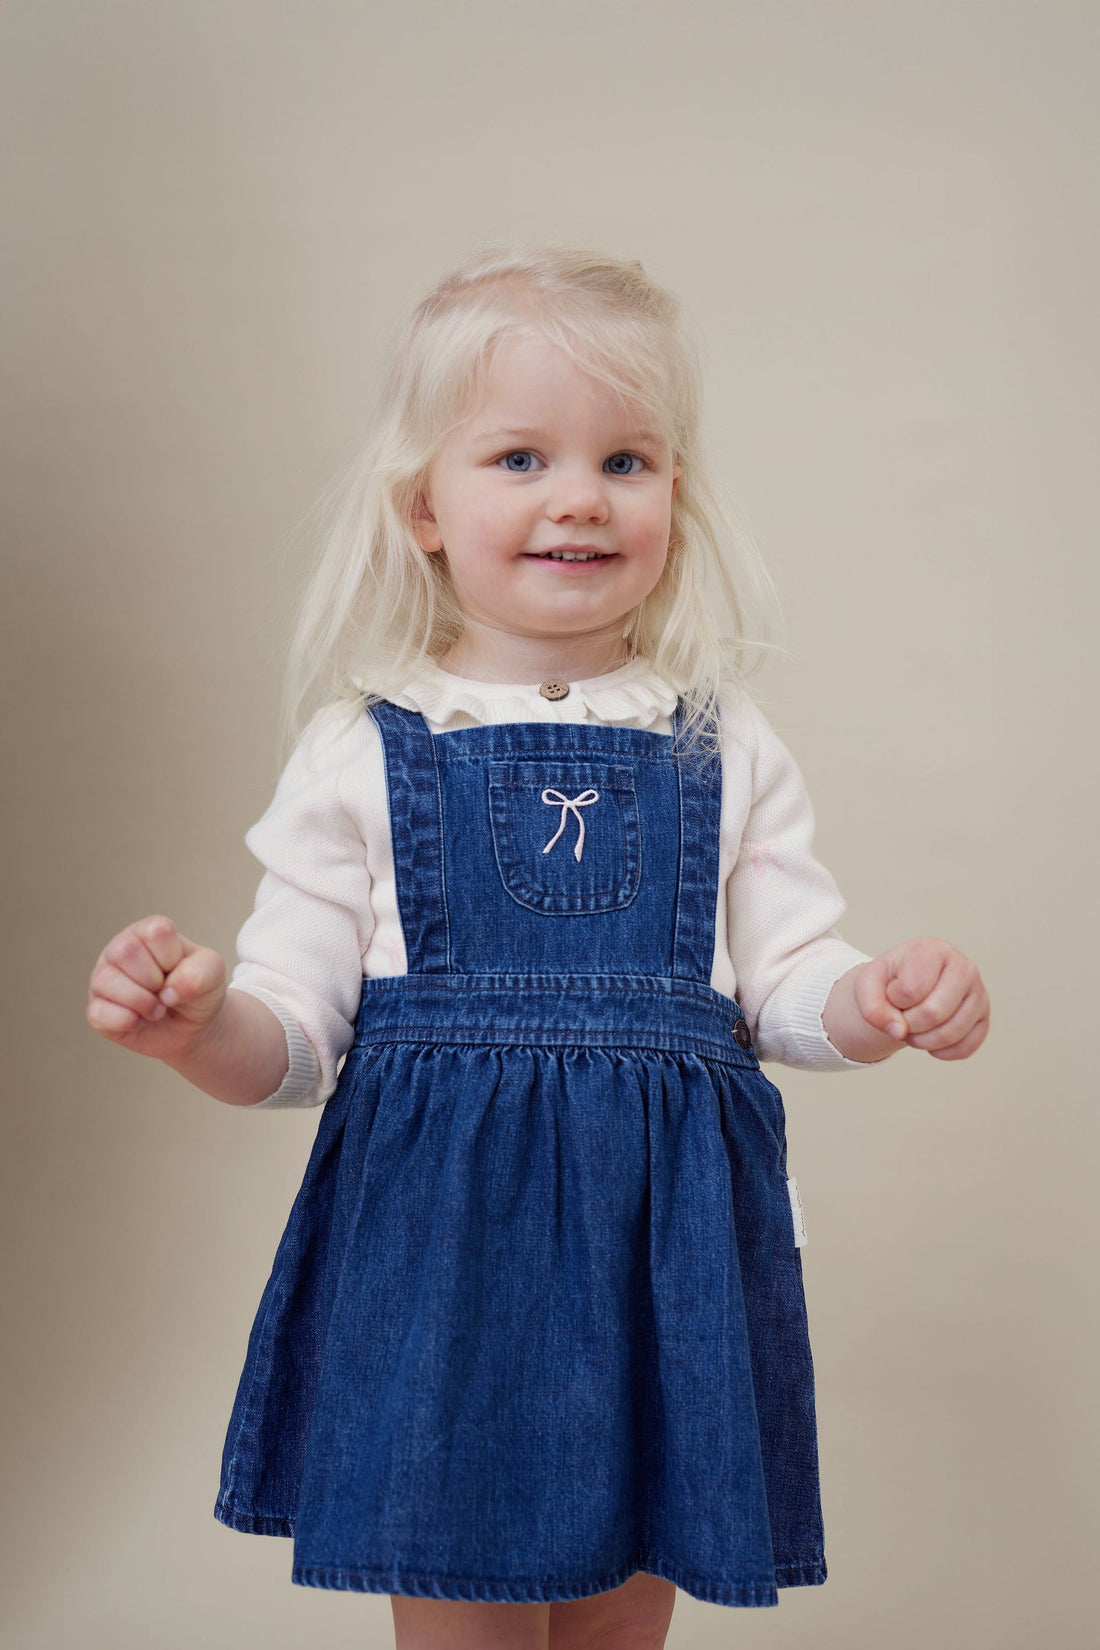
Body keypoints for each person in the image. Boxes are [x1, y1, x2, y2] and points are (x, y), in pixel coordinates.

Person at [86, 246, 990, 1650]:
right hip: (443, 1265)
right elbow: (294, 1038)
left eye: (627, 460)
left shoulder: (720, 741)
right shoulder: (364, 746)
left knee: (627, 1616)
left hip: (663, 1256)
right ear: (424, 509)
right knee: (466, 1618)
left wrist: (876, 999)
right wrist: (198, 1028)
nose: (579, 496)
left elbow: (784, 988)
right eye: (520, 457)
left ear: (677, 496)